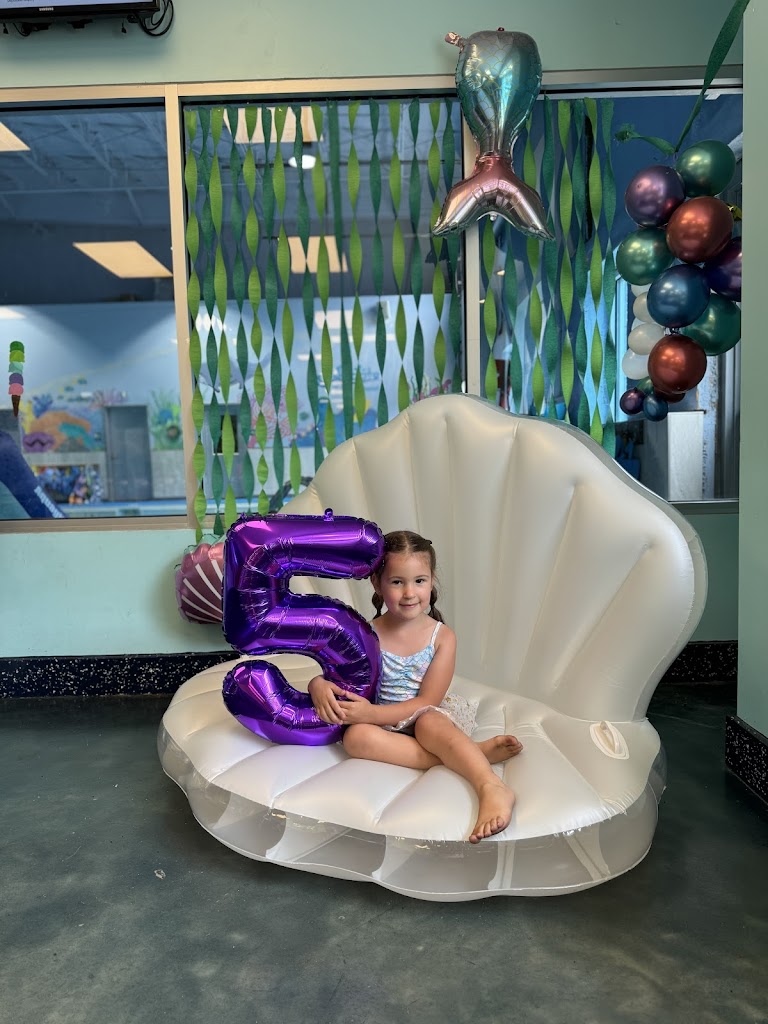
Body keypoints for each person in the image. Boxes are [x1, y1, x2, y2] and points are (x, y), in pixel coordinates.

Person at [308, 529, 522, 844]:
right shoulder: (365, 633)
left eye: (419, 581)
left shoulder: (442, 637)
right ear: (377, 583)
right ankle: (472, 754)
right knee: (354, 737)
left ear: (432, 580)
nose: (409, 593)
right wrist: (317, 685)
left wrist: (369, 713)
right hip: (381, 723)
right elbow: (334, 672)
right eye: (397, 582)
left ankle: (491, 786)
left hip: (428, 716)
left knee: (427, 723)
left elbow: (427, 701)